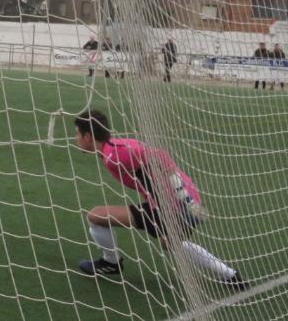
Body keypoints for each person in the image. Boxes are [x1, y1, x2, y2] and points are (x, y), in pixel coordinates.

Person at [72, 110, 246, 289]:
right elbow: (146, 178)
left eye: (77, 133)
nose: (75, 138)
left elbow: (161, 157)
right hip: (182, 201)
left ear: (87, 136)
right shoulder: (114, 147)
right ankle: (231, 275)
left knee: (96, 217)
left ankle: (111, 263)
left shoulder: (114, 155)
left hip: (177, 203)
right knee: (170, 243)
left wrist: (183, 197)